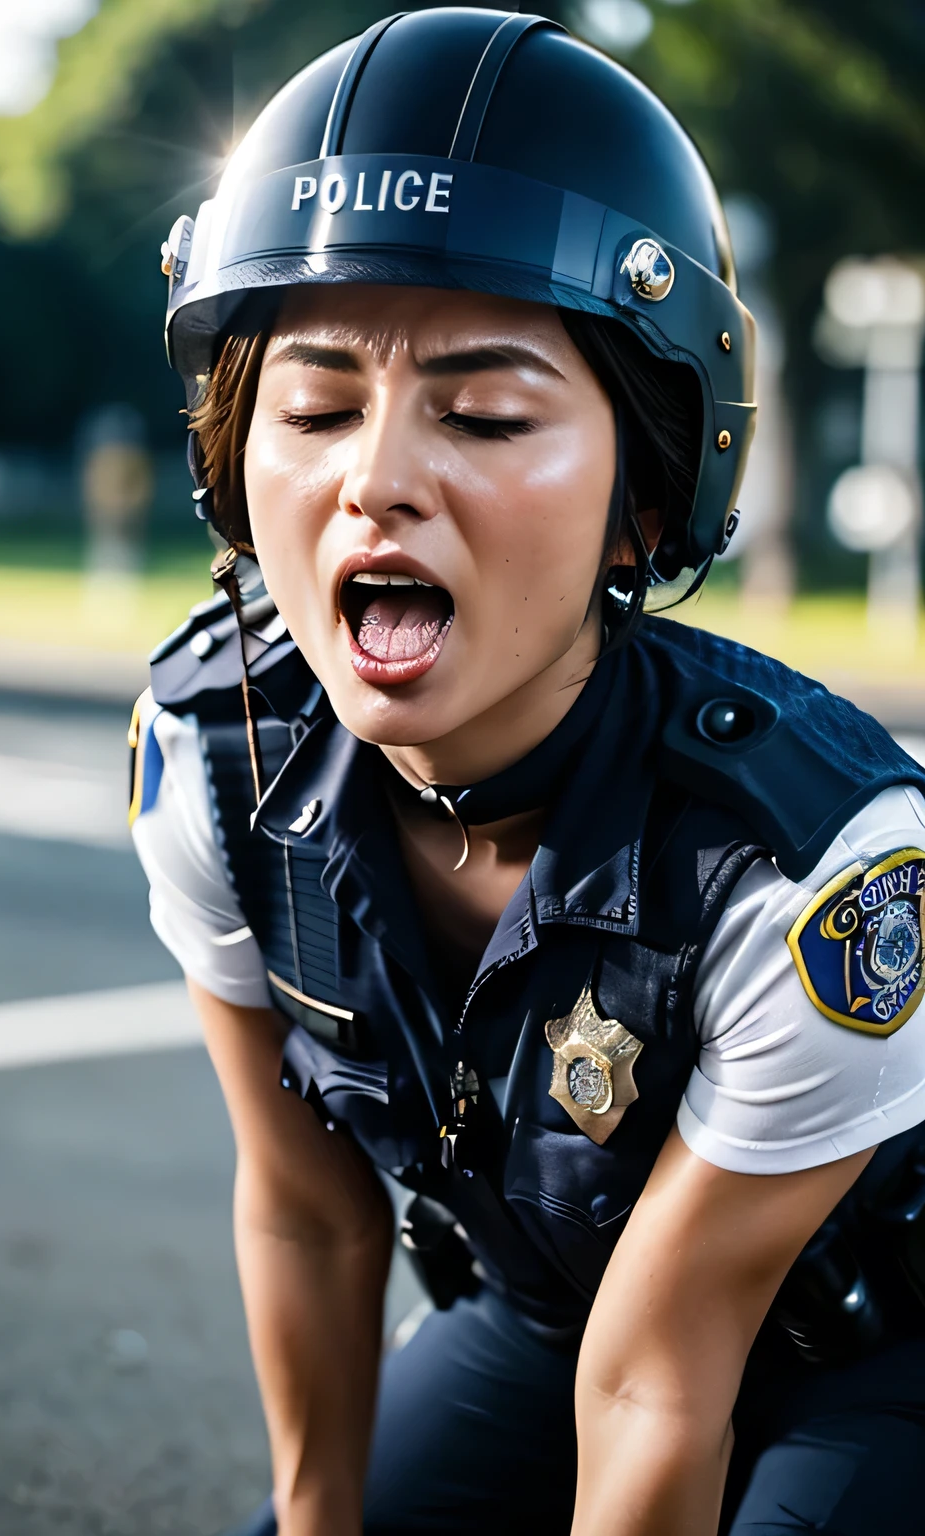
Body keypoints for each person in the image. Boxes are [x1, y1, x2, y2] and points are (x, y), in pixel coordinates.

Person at [129, 11, 925, 1533]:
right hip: (554, 1321)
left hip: (865, 1355)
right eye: (311, 408)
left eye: (485, 412)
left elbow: (662, 1380)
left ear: (644, 497)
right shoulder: (211, 754)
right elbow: (306, 1209)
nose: (377, 478)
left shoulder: (804, 856)